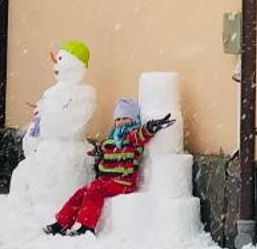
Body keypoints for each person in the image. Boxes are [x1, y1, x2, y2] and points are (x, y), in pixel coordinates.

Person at [45, 98, 173, 235]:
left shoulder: (131, 137)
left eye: (125, 118)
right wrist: (98, 152)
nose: (121, 122)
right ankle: (62, 223)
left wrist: (150, 127)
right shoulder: (112, 138)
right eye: (118, 119)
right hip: (107, 181)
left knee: (94, 188)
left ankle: (87, 227)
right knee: (81, 192)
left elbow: (141, 135)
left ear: (134, 120)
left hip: (123, 181)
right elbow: (104, 147)